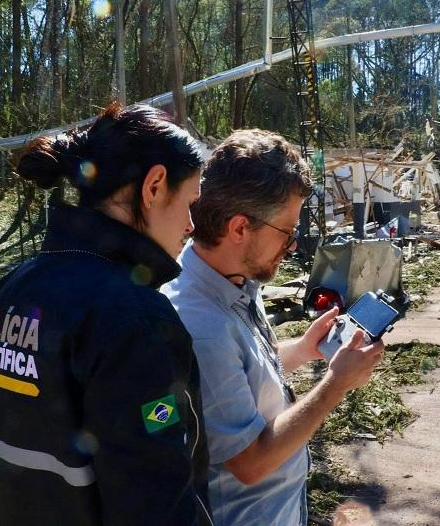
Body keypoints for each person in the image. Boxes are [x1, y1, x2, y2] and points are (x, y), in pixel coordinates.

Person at [0, 103, 212, 525]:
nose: (191, 224)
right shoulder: (136, 321)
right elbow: (156, 504)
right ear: (154, 186)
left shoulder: (3, 295)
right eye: (190, 201)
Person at [161, 129, 384, 525]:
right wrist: (335, 385)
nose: (294, 244)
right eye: (287, 230)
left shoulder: (236, 276)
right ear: (240, 228)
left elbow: (237, 377)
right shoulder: (201, 324)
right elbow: (251, 462)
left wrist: (304, 349)